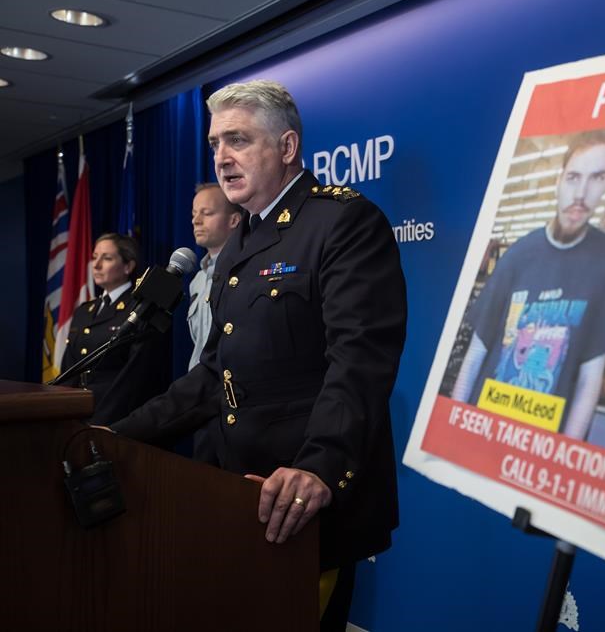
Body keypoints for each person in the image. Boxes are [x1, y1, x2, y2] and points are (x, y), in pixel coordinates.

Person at [110, 80, 407, 628]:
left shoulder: (342, 222)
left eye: (239, 140)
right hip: (238, 497)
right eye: (216, 143)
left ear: (287, 147)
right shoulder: (240, 243)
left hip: (301, 503)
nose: (222, 157)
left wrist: (319, 468)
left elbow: (360, 362)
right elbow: (212, 377)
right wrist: (117, 436)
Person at [450, 128, 605, 439]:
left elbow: (592, 375)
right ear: (558, 180)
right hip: (485, 424)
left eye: (598, 178)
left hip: (544, 437)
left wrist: (566, 452)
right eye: (574, 177)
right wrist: (452, 425)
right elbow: (477, 351)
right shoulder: (520, 253)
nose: (581, 193)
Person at [60, 233, 170, 425]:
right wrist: (63, 411)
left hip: (116, 416)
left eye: (107, 258)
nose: (96, 265)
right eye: (95, 257)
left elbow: (136, 377)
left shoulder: (141, 308)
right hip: (77, 412)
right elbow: (69, 369)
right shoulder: (84, 311)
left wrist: (102, 420)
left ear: (128, 266)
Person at [188, 183, 243, 464]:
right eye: (194, 213)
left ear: (234, 220)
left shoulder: (244, 273)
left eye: (206, 213)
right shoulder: (197, 279)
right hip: (200, 402)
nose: (196, 220)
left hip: (232, 404)